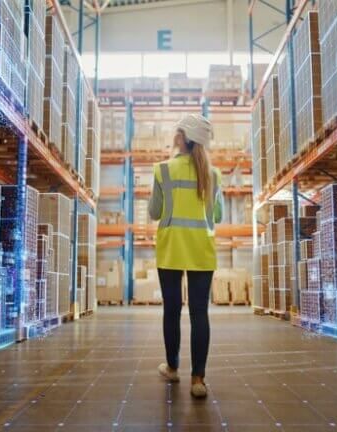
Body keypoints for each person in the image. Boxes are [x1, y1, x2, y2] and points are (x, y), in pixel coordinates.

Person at [148, 114, 223, 399]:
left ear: (183, 138)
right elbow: (217, 215)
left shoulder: (162, 170)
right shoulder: (213, 175)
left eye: (176, 131)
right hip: (201, 251)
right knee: (199, 313)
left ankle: (172, 367)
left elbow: (155, 212)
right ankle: (198, 380)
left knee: (172, 311)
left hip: (170, 250)